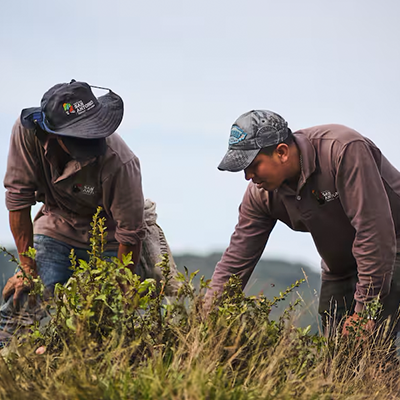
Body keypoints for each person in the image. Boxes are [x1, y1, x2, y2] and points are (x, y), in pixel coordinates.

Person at [206, 110, 400, 338]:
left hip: (391, 249)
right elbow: (236, 260)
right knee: (337, 358)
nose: (248, 176)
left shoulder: (343, 150)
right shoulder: (260, 195)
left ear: (282, 152)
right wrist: (206, 318)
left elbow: (374, 233)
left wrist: (364, 312)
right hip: (339, 268)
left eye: (253, 164)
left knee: (368, 348)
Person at [1, 79, 146, 341]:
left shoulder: (121, 162)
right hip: (56, 223)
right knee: (22, 301)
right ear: (54, 134)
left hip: (110, 237)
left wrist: (122, 287)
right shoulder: (26, 135)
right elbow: (18, 200)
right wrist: (27, 268)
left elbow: (130, 233)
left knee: (107, 322)